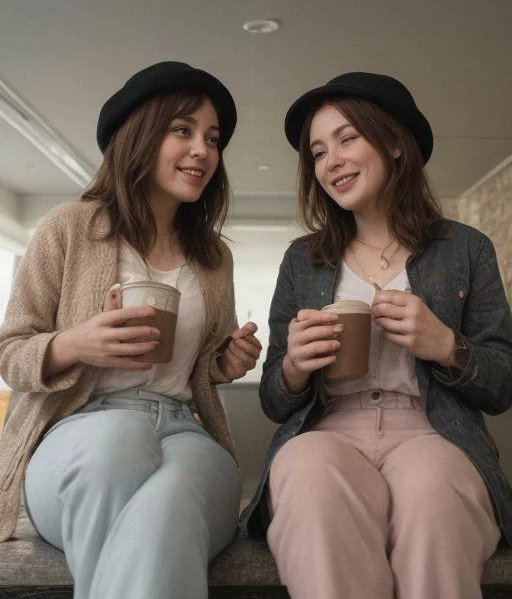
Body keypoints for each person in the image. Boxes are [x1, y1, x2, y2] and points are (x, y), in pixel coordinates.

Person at [243, 72, 512, 599]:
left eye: (347, 139)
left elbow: (502, 386)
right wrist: (295, 367)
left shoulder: (466, 248)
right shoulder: (304, 258)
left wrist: (444, 346)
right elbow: (275, 398)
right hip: (328, 429)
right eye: (318, 152)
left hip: (434, 431)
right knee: (307, 470)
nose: (331, 161)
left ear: (393, 142)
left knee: (435, 494)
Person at [0, 61, 261, 599]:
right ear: (140, 136)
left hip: (185, 433)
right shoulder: (69, 228)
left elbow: (203, 362)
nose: (203, 151)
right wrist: (75, 344)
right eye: (183, 130)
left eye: (212, 139)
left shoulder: (212, 258)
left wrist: (226, 361)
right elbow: (10, 353)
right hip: (80, 432)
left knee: (170, 505)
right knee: (121, 439)